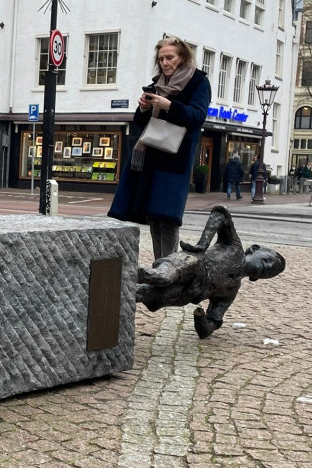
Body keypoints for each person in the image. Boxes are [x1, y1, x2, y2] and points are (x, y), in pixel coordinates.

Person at [109, 36, 211, 259]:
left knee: (167, 218)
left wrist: (169, 105)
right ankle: (160, 265)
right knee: (152, 215)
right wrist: (144, 108)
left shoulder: (198, 82)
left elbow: (197, 116)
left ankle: (170, 267)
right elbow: (141, 122)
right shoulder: (158, 83)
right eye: (161, 58)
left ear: (182, 57)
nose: (165, 62)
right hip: (151, 155)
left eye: (169, 57)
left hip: (175, 158)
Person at [136, 205, 286, 339]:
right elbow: (221, 214)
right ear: (253, 249)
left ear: (255, 279)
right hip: (189, 264)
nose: (267, 268)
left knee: (144, 293)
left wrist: (200, 319)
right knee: (163, 277)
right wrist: (203, 244)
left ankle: (122, 291)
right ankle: (129, 271)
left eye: (269, 272)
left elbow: (210, 326)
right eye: (267, 261)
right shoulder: (234, 247)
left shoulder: (230, 293)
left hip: (184, 294)